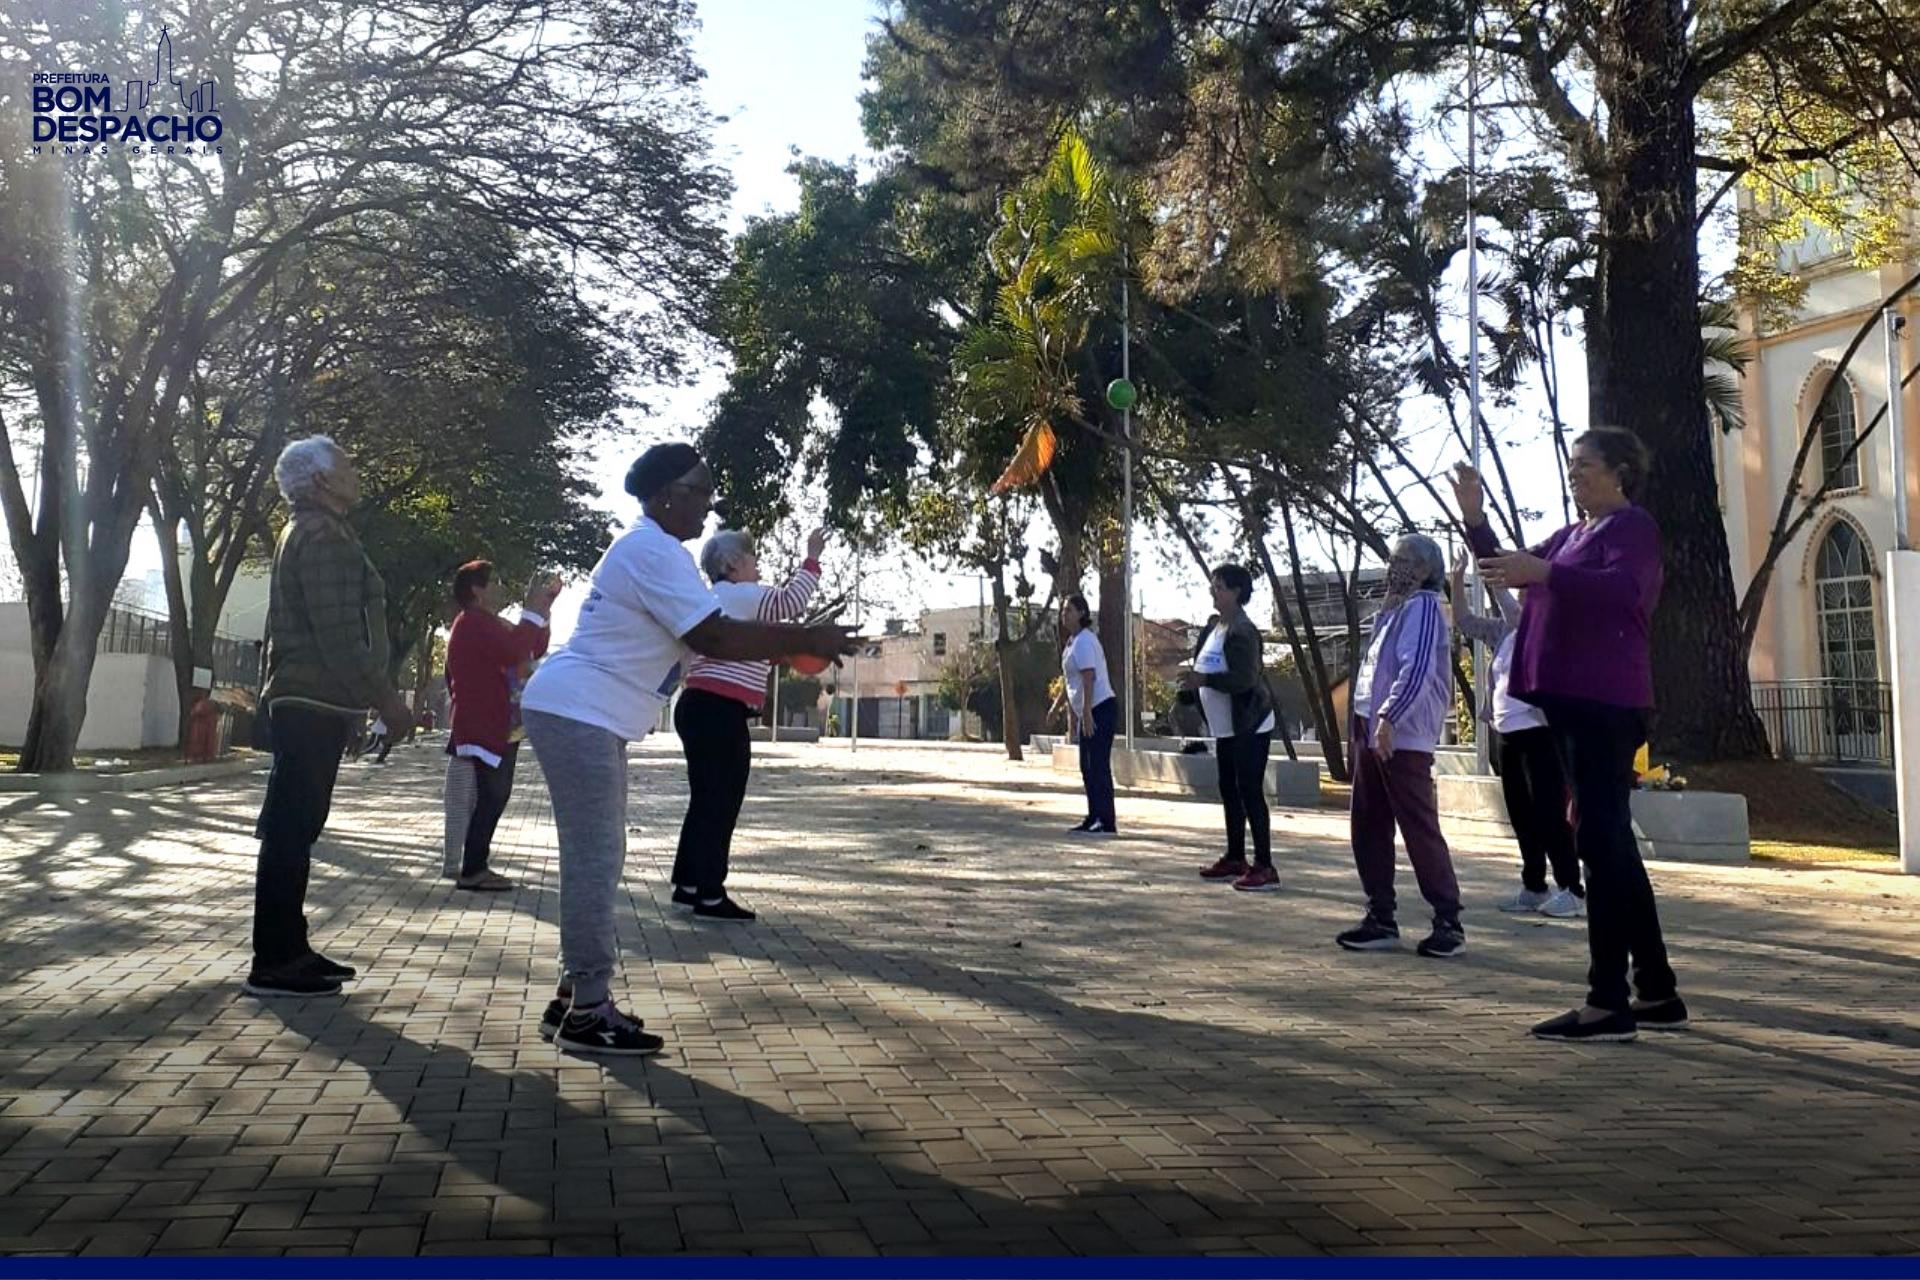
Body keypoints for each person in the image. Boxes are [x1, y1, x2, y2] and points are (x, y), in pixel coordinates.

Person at [519, 443, 855, 1056]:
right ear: (666, 495)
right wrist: (807, 636)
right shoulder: (652, 550)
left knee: (601, 855)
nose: (708, 502)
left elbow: (716, 633)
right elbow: (714, 636)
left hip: (587, 711)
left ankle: (572, 999)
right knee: (595, 858)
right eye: (699, 490)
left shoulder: (656, 552)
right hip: (578, 709)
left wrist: (797, 641)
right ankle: (588, 1011)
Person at [1455, 427, 1687, 1042]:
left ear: (1620, 472)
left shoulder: (1632, 529)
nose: (1574, 472)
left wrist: (1548, 574)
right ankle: (1656, 989)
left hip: (1603, 702)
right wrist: (1476, 521)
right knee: (1611, 844)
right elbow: (1508, 569)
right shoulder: (1571, 535)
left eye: (1585, 464)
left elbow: (1623, 591)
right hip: (1570, 705)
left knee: (1601, 845)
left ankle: (1607, 1002)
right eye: (1572, 464)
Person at [247, 436, 415, 997]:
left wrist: (355, 706)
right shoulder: (321, 536)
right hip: (309, 703)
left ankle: (289, 949)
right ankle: (275, 960)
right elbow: (340, 636)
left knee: (295, 828)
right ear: (320, 481)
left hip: (314, 702)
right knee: (291, 829)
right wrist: (386, 700)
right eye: (345, 464)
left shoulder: (313, 530)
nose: (355, 470)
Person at [671, 526, 827, 920]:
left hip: (695, 705)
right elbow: (791, 601)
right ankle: (710, 893)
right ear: (733, 564)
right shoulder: (744, 595)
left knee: (704, 799)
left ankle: (688, 884)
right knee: (723, 801)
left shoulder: (710, 600)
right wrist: (812, 558)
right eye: (753, 559)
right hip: (721, 709)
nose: (758, 567)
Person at [1335, 534, 1466, 958]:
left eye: (1404, 560)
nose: (1395, 568)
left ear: (1426, 569)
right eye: (1393, 560)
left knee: (1418, 827)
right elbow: (1376, 669)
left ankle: (1448, 921)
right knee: (1368, 823)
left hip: (1400, 735)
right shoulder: (1396, 611)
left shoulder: (1425, 607)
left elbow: (1417, 668)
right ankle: (1380, 916)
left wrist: (1390, 718)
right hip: (1370, 728)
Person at [1449, 550, 1585, 919]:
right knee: (1521, 814)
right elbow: (1465, 622)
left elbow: (1511, 608)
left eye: (1527, 589)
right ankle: (1534, 885)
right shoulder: (1504, 632)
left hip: (1540, 735)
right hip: (1506, 733)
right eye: (1520, 590)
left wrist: (1490, 563)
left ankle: (1572, 888)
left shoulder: (1543, 627)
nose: (1521, 595)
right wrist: (1458, 580)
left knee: (1549, 812)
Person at [442, 560, 560, 892]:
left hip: (497, 723)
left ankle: (474, 865)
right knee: (491, 796)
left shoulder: (488, 622)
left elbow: (532, 647)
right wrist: (532, 611)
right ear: (476, 590)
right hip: (483, 723)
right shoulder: (472, 622)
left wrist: (542, 610)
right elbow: (514, 651)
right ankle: (472, 868)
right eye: (494, 582)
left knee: (494, 795)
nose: (501, 587)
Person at [1185, 565, 1279, 892]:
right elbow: (1203, 666)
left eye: (1220, 587)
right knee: (1229, 788)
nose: (1214, 592)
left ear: (1237, 592)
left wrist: (1206, 681)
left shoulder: (1244, 630)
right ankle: (1236, 856)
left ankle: (1265, 865)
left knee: (1249, 790)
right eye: (1213, 586)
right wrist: (1192, 688)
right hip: (1225, 727)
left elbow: (1244, 679)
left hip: (1249, 724)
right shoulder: (1215, 627)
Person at [1060, 594, 1117, 835]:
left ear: (1082, 613)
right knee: (1087, 766)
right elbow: (1069, 681)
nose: (1064, 615)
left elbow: (1088, 677)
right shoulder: (1072, 642)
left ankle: (1106, 820)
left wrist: (1086, 713)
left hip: (1099, 708)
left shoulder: (1084, 641)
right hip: (1087, 710)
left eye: (1069, 610)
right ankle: (1093, 815)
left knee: (1098, 765)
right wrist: (1062, 708)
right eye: (1063, 610)